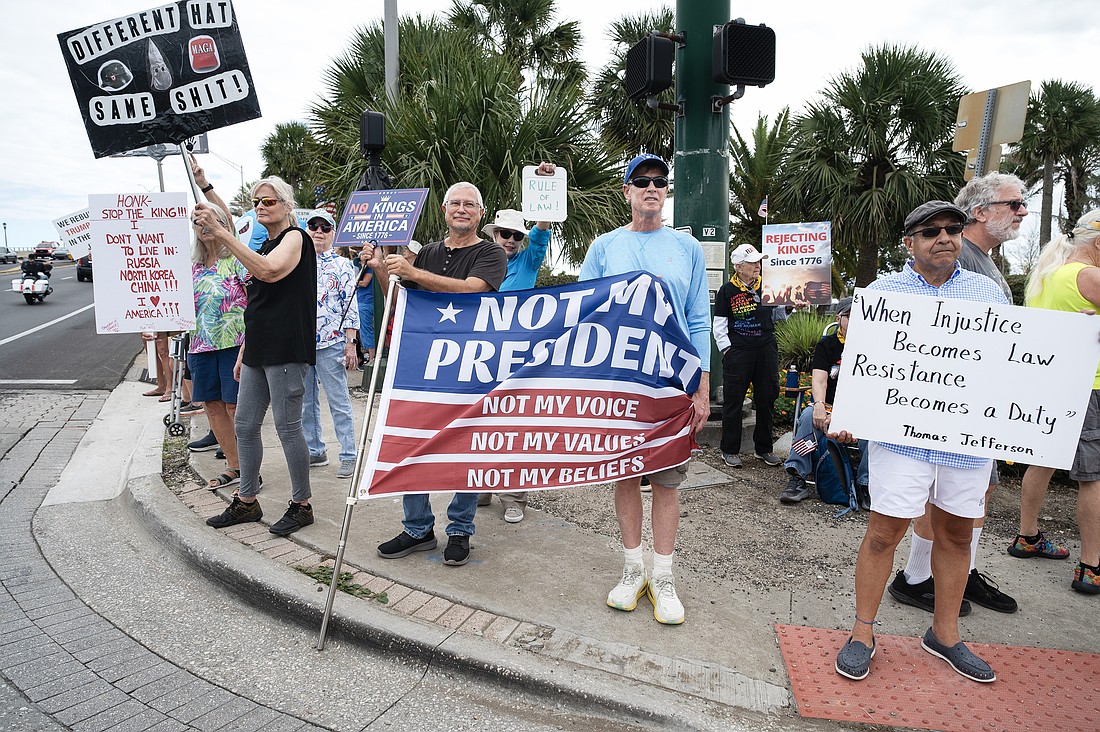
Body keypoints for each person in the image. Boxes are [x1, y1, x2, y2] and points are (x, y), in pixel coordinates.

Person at [834, 201, 1009, 684]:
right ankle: (862, 634)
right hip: (901, 440)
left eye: (953, 228)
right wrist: (849, 414)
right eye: (931, 231)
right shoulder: (882, 295)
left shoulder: (988, 294)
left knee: (957, 535)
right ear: (909, 242)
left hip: (966, 441)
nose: (945, 237)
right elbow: (863, 365)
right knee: (883, 533)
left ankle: (945, 634)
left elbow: (1009, 362)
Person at [579, 153, 710, 625]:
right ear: (627, 191)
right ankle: (633, 568)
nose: (652, 187)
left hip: (672, 381)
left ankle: (664, 575)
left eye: (659, 181)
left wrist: (701, 386)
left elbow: (698, 318)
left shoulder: (687, 248)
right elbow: (582, 309)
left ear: (666, 191)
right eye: (642, 181)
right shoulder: (604, 247)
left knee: (667, 480)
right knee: (626, 474)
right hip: (620, 380)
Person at [889, 173, 1027, 616]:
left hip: (971, 408)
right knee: (943, 501)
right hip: (943, 410)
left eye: (952, 228)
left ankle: (952, 576)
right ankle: (920, 577)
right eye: (1013, 204)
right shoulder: (960, 261)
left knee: (971, 498)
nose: (1022, 211)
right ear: (982, 212)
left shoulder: (983, 270)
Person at [368, 182, 506, 566]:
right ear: (444, 210)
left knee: (467, 443)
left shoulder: (490, 252)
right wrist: (381, 270)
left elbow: (472, 290)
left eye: (470, 204)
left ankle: (460, 529)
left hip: (472, 360)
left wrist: (412, 270)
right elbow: (399, 301)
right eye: (455, 203)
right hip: (424, 359)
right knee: (413, 440)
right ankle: (418, 528)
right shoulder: (428, 252)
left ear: (480, 213)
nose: (462, 209)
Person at [197, 176, 318, 537]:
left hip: (286, 348)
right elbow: (258, 304)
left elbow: (269, 271)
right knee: (245, 425)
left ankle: (302, 505)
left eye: (268, 201)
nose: (261, 207)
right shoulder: (264, 244)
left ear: (286, 205)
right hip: (257, 349)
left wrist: (221, 231)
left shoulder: (296, 238)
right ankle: (247, 500)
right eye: (256, 202)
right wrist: (244, 350)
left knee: (287, 427)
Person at [1015, 210, 1100, 596]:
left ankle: (1027, 536)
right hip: (1089, 387)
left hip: (1051, 384)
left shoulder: (1046, 276)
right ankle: (1091, 567)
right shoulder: (1090, 276)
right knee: (1092, 477)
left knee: (1043, 460)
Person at [476, 161, 558, 523]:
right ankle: (480, 485)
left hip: (519, 352)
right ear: (494, 235)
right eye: (504, 234)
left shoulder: (528, 261)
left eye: (515, 235)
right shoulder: (478, 260)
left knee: (515, 423)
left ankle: (514, 497)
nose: (510, 239)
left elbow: (542, 230)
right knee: (480, 420)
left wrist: (546, 187)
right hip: (482, 351)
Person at [185, 162, 248, 491]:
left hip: (235, 344)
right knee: (211, 405)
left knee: (236, 407)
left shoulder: (236, 258)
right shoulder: (191, 266)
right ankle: (234, 466)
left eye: (210, 221)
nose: (204, 226)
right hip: (200, 345)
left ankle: (250, 470)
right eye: (198, 222)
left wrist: (204, 184)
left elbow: (257, 300)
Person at [779, 297, 869, 505]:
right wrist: (819, 405)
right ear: (838, 318)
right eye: (850, 316)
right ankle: (797, 476)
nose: (856, 321)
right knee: (808, 416)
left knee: (874, 428)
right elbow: (820, 379)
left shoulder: (872, 345)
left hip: (861, 408)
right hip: (829, 406)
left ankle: (866, 484)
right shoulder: (827, 344)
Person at [712, 243, 794, 468]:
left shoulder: (767, 286)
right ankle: (730, 450)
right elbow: (719, 325)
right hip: (738, 352)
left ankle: (764, 449)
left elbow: (776, 315)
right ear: (738, 267)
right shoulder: (727, 291)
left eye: (758, 262)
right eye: (752, 263)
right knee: (733, 401)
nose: (757, 266)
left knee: (767, 398)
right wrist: (728, 351)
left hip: (766, 349)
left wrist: (788, 308)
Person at [302, 209, 360, 480]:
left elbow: (351, 306)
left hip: (332, 342)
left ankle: (348, 455)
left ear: (333, 233)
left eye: (325, 227)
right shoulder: (296, 262)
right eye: (313, 226)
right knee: (306, 402)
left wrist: (351, 343)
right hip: (302, 344)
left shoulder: (343, 265)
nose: (318, 231)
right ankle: (315, 450)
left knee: (338, 401)